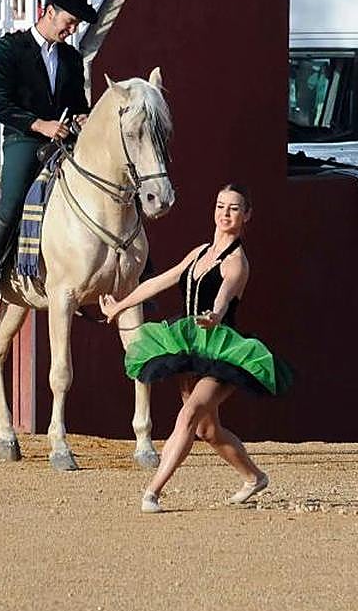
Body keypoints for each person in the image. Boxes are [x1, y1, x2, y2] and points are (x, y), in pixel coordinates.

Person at [100, 184, 291, 514]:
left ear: (246, 215)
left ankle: (153, 492)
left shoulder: (237, 261)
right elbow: (161, 281)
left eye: (233, 208)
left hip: (221, 351)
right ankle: (254, 477)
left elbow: (225, 292)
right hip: (190, 346)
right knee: (207, 429)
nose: (225, 213)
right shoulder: (200, 251)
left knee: (188, 416)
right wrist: (119, 307)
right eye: (220, 206)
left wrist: (215, 314)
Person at [0, 0, 96, 305]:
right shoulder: (10, 48)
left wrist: (83, 118)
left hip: (63, 139)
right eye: (68, 22)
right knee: (12, 198)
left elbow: (78, 103)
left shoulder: (71, 57)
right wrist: (39, 124)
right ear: (49, 12)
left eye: (75, 25)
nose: (71, 30)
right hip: (24, 139)